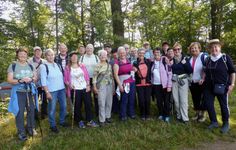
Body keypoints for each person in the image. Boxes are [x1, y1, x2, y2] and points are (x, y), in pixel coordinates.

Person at [203, 39, 235, 133]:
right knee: (208, 104)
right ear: (209, 49)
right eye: (212, 47)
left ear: (220, 47)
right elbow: (205, 71)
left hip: (222, 86)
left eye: (216, 46)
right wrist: (203, 78)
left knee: (223, 105)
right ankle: (214, 122)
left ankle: (226, 123)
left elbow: (232, 72)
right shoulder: (208, 59)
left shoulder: (225, 58)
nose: (214, 48)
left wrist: (232, 84)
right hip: (209, 86)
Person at [7, 47, 38, 141]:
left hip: (29, 92)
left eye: (24, 54)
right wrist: (20, 80)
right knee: (19, 112)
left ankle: (30, 128)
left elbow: (35, 77)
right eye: (20, 54)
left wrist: (31, 79)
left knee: (31, 110)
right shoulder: (13, 65)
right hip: (18, 93)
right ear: (17, 55)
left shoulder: (31, 65)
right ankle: (21, 132)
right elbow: (9, 80)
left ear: (27, 55)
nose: (22, 55)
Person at [64, 51, 98, 128]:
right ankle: (79, 121)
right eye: (72, 57)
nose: (74, 58)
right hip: (75, 89)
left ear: (77, 58)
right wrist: (69, 85)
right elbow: (65, 80)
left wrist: (88, 85)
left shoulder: (82, 66)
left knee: (88, 104)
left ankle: (89, 120)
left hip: (84, 88)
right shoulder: (67, 68)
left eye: (75, 56)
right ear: (70, 58)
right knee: (77, 106)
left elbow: (87, 76)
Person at [40, 49, 67, 133]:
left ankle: (62, 121)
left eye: (52, 55)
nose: (51, 56)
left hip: (61, 89)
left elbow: (62, 77)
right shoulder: (43, 66)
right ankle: (52, 125)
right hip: (52, 91)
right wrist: (47, 92)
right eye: (48, 55)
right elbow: (43, 80)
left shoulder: (58, 65)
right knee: (52, 109)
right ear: (45, 56)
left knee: (64, 106)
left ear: (54, 55)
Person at [171, 42, 193, 123]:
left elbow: (190, 70)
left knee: (183, 100)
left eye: (178, 49)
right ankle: (179, 116)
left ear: (181, 50)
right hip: (174, 81)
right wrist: (170, 65)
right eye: (175, 49)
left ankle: (185, 118)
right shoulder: (171, 60)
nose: (176, 51)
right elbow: (170, 71)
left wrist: (185, 64)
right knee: (176, 100)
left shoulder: (185, 59)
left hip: (183, 80)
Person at [113, 46, 136, 121]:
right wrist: (120, 85)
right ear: (118, 54)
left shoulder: (128, 60)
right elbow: (115, 75)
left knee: (132, 98)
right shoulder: (116, 62)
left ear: (125, 53)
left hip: (131, 81)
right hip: (123, 82)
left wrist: (134, 69)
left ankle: (131, 113)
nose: (122, 54)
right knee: (124, 99)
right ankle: (123, 115)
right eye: (120, 53)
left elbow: (131, 69)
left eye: (123, 52)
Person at [151, 47, 172, 122]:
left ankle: (167, 115)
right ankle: (161, 114)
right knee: (159, 101)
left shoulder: (165, 61)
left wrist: (169, 85)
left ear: (160, 53)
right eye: (155, 53)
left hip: (165, 85)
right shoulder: (152, 62)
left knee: (166, 101)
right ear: (153, 54)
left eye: (158, 52)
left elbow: (170, 74)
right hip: (156, 85)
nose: (156, 54)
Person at [93, 50, 114, 126]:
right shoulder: (97, 65)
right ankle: (102, 120)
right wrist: (94, 87)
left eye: (105, 55)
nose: (103, 57)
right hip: (101, 86)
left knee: (109, 102)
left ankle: (108, 117)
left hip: (109, 85)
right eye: (102, 55)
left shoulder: (109, 65)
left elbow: (111, 76)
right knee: (101, 103)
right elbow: (94, 77)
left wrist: (113, 87)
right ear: (99, 56)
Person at [79, 44, 100, 116]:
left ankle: (98, 111)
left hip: (95, 79)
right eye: (88, 48)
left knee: (96, 95)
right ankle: (89, 111)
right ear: (85, 49)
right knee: (87, 96)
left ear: (93, 49)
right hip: (85, 80)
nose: (89, 50)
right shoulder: (82, 58)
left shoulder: (97, 57)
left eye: (91, 48)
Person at [188, 42, 207, 122]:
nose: (194, 49)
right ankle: (197, 113)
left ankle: (203, 114)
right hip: (193, 81)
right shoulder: (190, 59)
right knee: (195, 98)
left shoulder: (204, 56)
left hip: (202, 82)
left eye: (195, 47)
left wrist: (203, 78)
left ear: (199, 48)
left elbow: (207, 68)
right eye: (192, 48)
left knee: (203, 98)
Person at [28, 46, 47, 119]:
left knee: (44, 100)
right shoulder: (29, 61)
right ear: (34, 52)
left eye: (39, 51)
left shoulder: (44, 61)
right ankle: (35, 114)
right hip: (34, 84)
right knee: (34, 100)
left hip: (43, 84)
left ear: (41, 52)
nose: (38, 53)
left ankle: (44, 113)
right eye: (36, 51)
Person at [133, 48, 152, 120]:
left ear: (145, 54)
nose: (141, 54)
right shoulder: (135, 63)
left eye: (143, 53)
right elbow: (133, 73)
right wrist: (134, 71)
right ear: (138, 54)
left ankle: (148, 114)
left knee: (147, 99)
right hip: (139, 84)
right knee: (141, 100)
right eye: (140, 53)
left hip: (147, 83)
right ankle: (142, 114)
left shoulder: (148, 61)